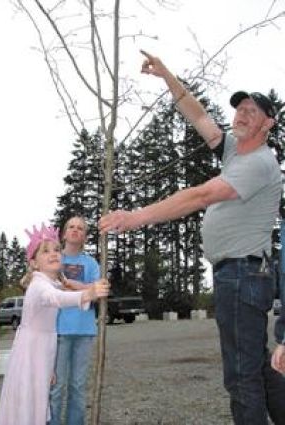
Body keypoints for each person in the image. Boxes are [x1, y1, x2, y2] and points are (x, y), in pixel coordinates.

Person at [99, 51, 285, 425]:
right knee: (259, 368)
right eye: (239, 108)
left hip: (243, 276)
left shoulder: (260, 163)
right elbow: (197, 114)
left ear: (269, 123)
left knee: (240, 375)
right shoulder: (234, 151)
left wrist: (134, 217)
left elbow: (200, 195)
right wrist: (167, 74)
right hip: (240, 276)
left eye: (252, 110)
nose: (242, 114)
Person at [0, 223, 109, 425]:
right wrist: (88, 294)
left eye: (56, 249)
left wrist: (50, 368)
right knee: (28, 404)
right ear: (34, 264)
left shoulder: (52, 283)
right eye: (45, 251)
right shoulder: (39, 286)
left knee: (37, 403)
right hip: (30, 355)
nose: (54, 253)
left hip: (42, 353)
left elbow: (61, 294)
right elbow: (57, 299)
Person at [49, 216, 100, 425]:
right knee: (56, 387)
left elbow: (99, 292)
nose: (75, 230)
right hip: (58, 330)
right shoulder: (54, 259)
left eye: (80, 228)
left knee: (78, 387)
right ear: (63, 233)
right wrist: (86, 287)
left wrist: (72, 285)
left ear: (85, 236)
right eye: (71, 226)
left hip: (84, 332)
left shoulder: (91, 263)